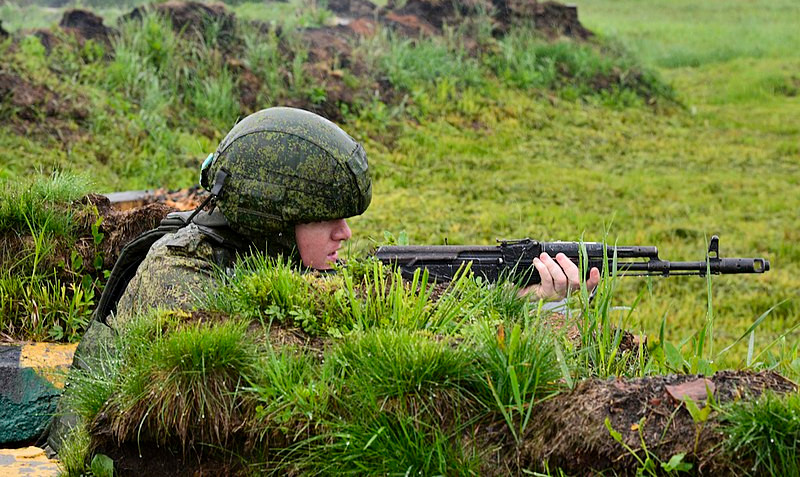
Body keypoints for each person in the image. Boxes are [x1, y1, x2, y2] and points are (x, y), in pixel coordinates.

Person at [115, 106, 598, 322]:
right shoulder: (178, 274)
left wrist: (517, 300)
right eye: (326, 221)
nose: (344, 234)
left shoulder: (269, 260)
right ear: (276, 221)